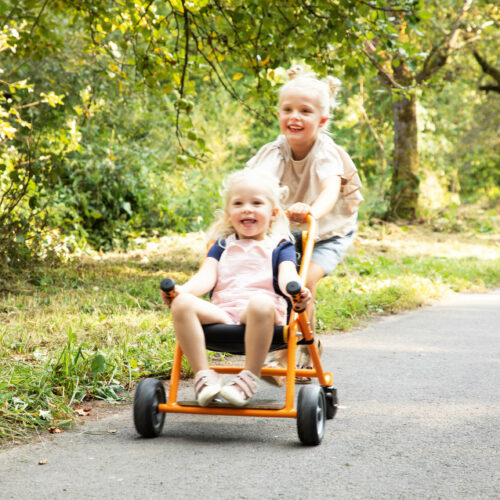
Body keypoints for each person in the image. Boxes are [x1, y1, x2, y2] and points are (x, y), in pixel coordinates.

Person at [247, 65, 363, 384]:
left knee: (305, 282)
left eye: (305, 111)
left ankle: (288, 356)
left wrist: (310, 210)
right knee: (278, 282)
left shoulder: (325, 153)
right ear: (279, 115)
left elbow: (329, 188)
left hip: (327, 232)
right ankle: (304, 344)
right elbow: (259, 183)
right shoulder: (276, 151)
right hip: (288, 229)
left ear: (322, 121)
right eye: (287, 110)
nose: (294, 116)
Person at [161, 168, 311, 407]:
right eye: (238, 203)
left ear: (273, 214)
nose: (247, 208)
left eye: (256, 203)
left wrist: (297, 291)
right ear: (230, 214)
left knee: (259, 303)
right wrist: (181, 291)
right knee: (182, 304)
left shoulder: (280, 246)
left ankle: (248, 377)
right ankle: (204, 377)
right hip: (224, 314)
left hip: (263, 315)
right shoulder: (221, 246)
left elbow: (287, 276)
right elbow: (205, 277)